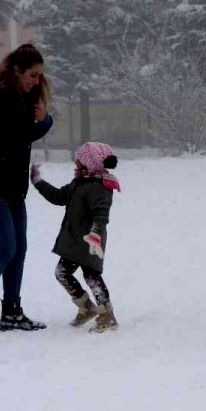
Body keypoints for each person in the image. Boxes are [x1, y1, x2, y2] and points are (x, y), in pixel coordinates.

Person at [0, 43, 55, 331]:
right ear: (16, 71)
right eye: (32, 74)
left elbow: (23, 136)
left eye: (39, 76)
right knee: (6, 245)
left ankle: (12, 310)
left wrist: (45, 121)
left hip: (15, 187)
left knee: (19, 248)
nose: (36, 81)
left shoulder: (23, 99)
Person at [31, 141, 121, 333]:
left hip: (90, 242)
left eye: (79, 160)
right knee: (61, 273)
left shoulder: (100, 186)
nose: (75, 163)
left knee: (91, 276)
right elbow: (58, 197)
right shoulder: (79, 183)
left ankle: (108, 316)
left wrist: (95, 234)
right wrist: (38, 181)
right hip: (74, 241)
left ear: (89, 162)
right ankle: (86, 307)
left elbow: (101, 214)